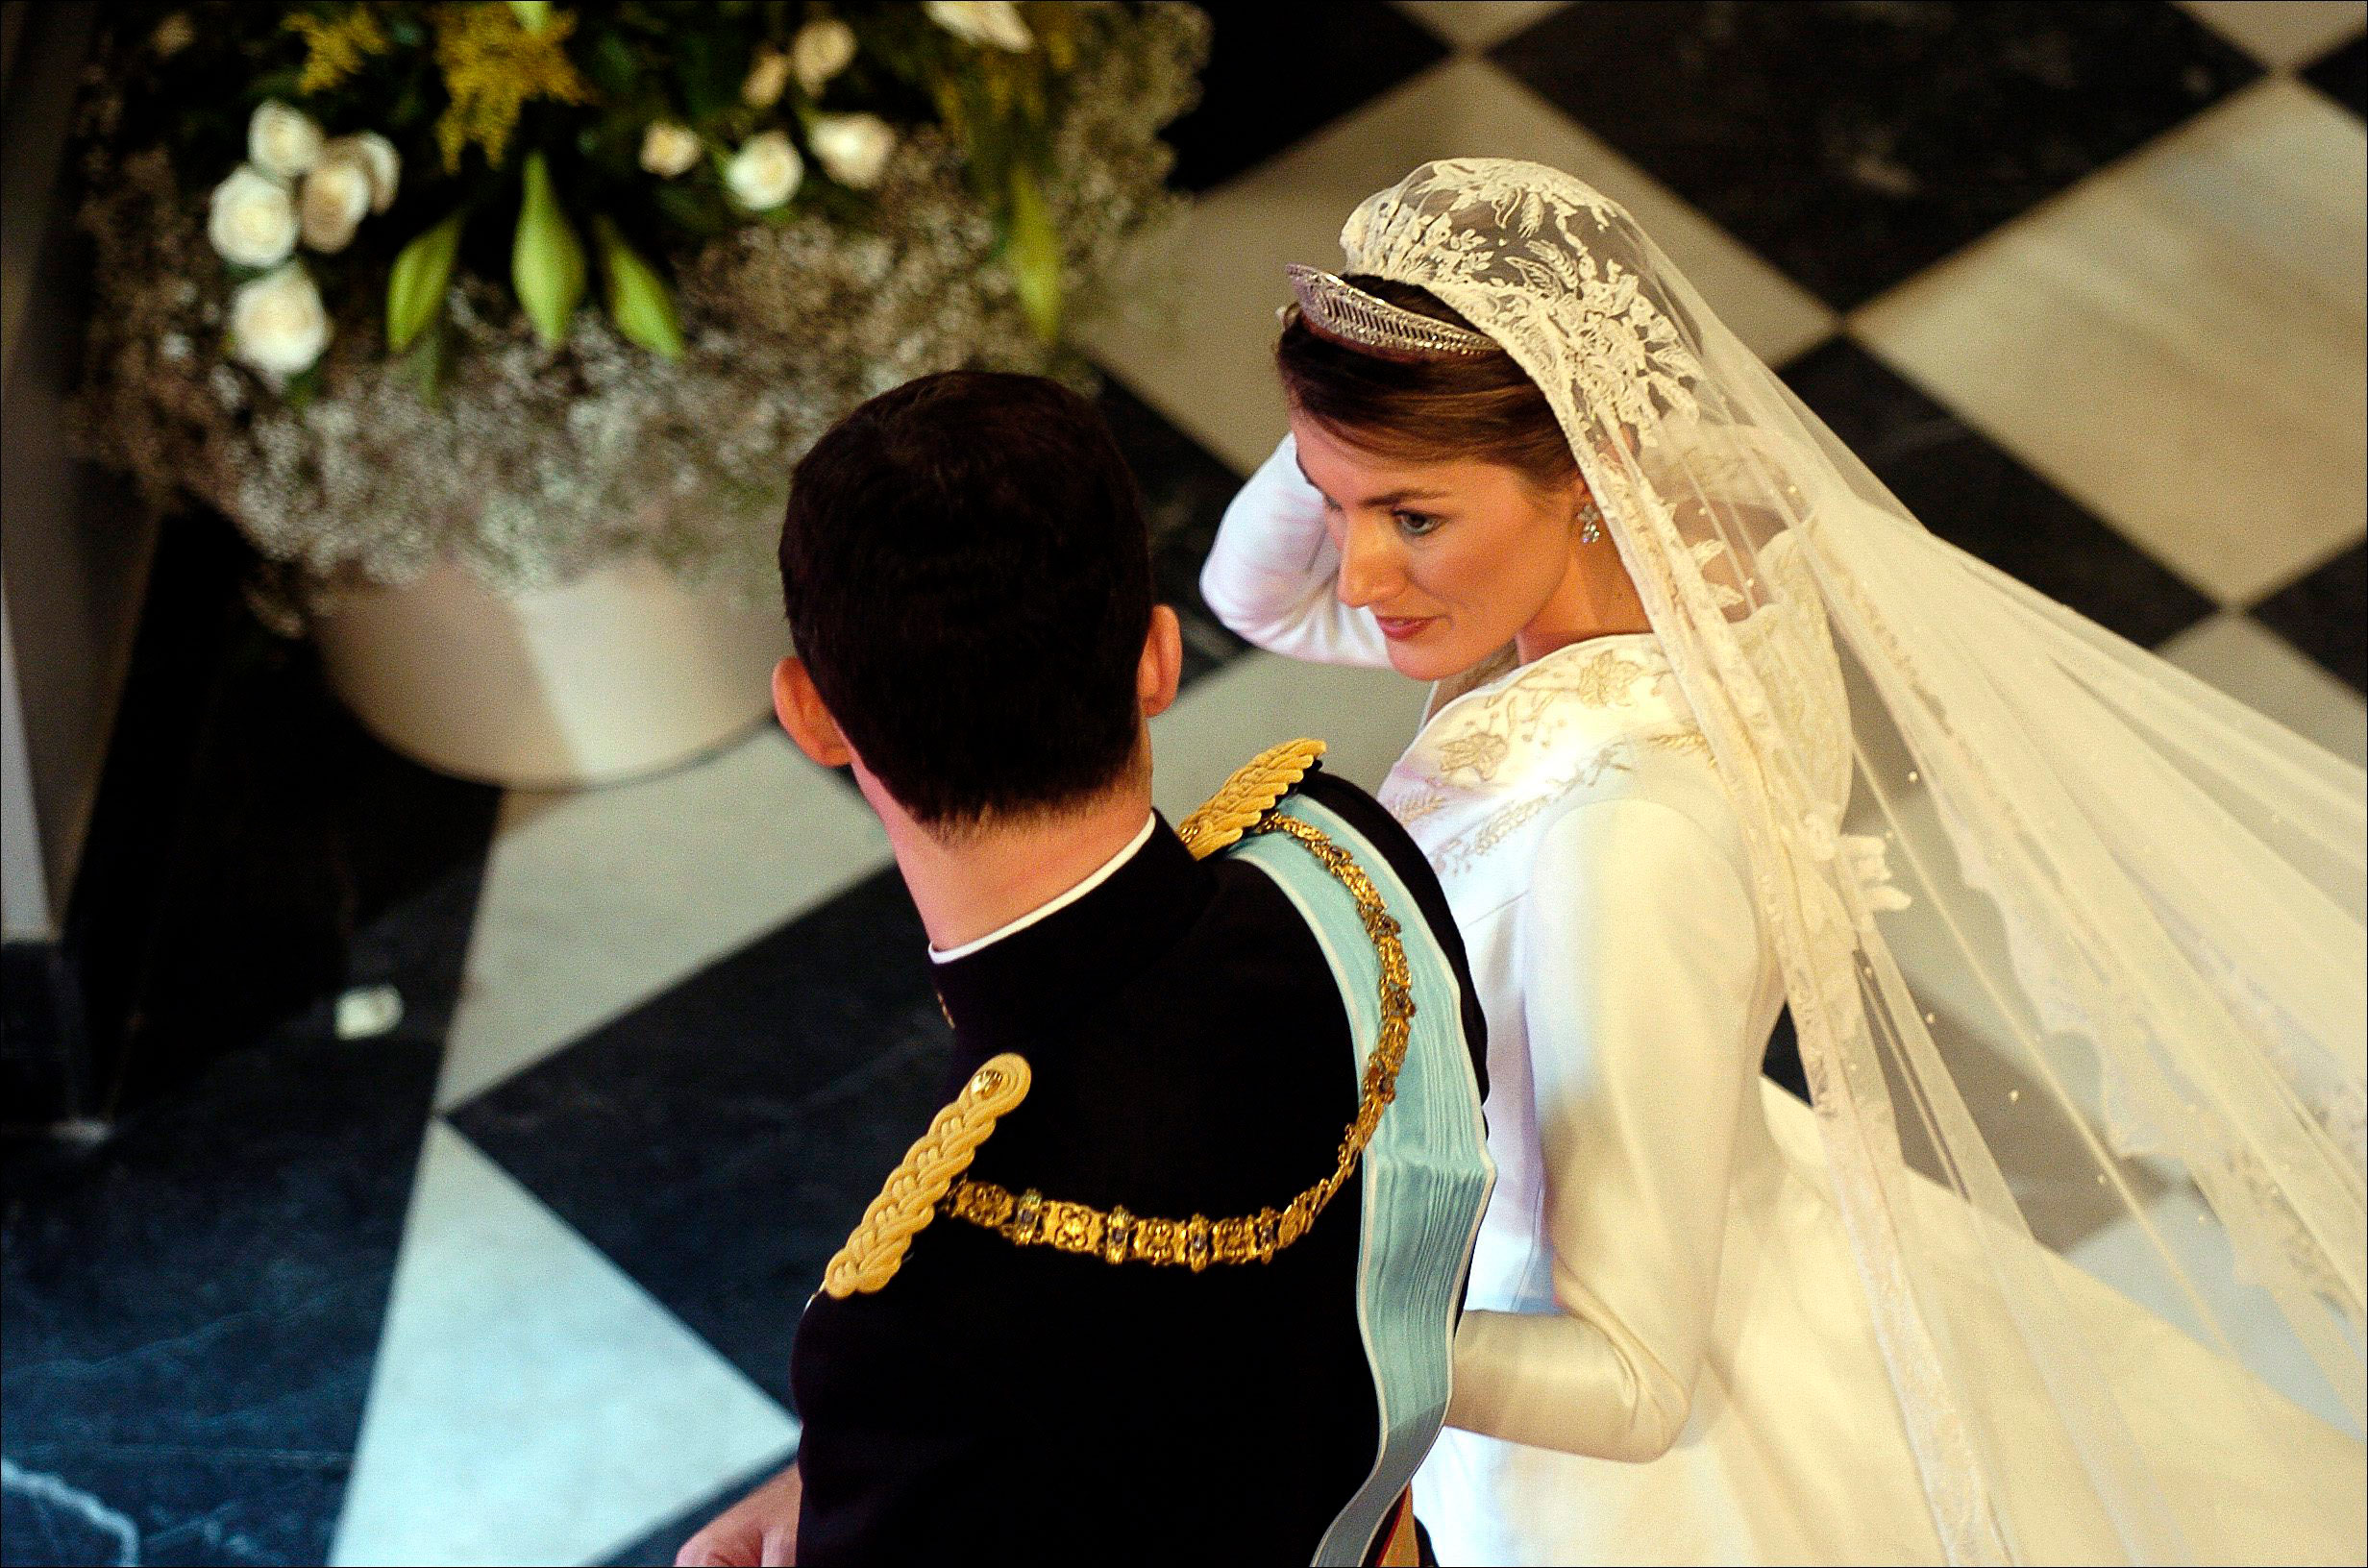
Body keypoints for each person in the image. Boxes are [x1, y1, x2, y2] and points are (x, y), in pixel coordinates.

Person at [1200, 159, 2366, 1564]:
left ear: (1577, 464)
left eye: (1413, 517)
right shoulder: (1698, 566)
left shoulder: (1624, 833)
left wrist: (1287, 1307)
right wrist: (1387, 374)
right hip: (1710, 1212)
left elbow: (1633, 1385)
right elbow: (1246, 590)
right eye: (1336, 507)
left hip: (1586, 1432)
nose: (1362, 575)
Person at [677, 370, 1495, 1567]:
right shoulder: (1351, 879)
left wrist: (854, 1474)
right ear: (1158, 659)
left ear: (812, 716)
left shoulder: (917, 1327)